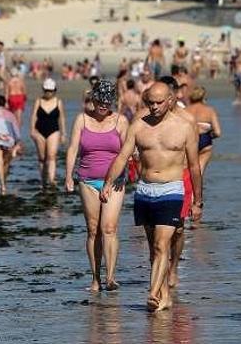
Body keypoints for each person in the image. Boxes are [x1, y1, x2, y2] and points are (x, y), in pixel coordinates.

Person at [99, 82, 202, 312]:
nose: (154, 107)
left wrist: (197, 201)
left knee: (161, 244)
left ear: (170, 100)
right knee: (153, 249)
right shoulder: (138, 126)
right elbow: (122, 156)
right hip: (145, 190)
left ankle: (153, 292)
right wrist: (108, 183)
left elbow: (194, 166)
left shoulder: (185, 127)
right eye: (150, 103)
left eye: (158, 102)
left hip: (171, 190)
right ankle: (164, 296)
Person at [64, 79, 128, 292]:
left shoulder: (121, 121)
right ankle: (95, 279)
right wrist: (68, 176)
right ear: (93, 99)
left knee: (108, 228)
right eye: (101, 100)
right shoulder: (82, 120)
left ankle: (110, 277)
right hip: (87, 180)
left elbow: (127, 152)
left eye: (108, 102)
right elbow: (73, 149)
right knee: (93, 230)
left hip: (115, 181)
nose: (104, 105)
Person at [30, 78, 66, 189]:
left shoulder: (58, 102)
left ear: (54, 90)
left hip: (54, 131)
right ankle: (43, 180)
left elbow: (61, 118)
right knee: (42, 158)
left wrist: (63, 133)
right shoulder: (38, 101)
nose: (48, 93)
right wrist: (32, 130)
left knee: (51, 156)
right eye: (46, 90)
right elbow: (34, 116)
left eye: (50, 90)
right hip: (39, 131)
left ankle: (51, 179)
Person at [186, 87, 221, 174]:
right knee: (199, 173)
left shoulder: (185, 110)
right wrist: (210, 136)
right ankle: (199, 187)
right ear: (203, 97)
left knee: (187, 170)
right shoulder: (210, 111)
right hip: (205, 139)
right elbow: (218, 132)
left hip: (189, 140)